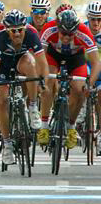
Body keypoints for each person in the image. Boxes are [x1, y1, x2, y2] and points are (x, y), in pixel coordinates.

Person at [0, 9, 48, 165]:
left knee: (31, 65)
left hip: (21, 60)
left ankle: (33, 107)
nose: (17, 34)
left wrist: (43, 82)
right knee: (1, 101)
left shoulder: (32, 34)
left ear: (25, 28)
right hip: (3, 66)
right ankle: (7, 144)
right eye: (13, 31)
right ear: (7, 30)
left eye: (20, 30)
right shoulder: (0, 38)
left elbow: (42, 62)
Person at [38, 9, 101, 149]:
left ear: (76, 30)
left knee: (79, 91)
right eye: (63, 33)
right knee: (47, 84)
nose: (66, 37)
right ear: (57, 27)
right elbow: (39, 56)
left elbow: (96, 62)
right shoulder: (49, 29)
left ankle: (71, 127)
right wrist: (40, 77)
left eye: (70, 34)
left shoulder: (84, 32)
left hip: (75, 58)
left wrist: (89, 85)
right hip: (53, 55)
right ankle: (44, 125)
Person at [84, 1, 101, 155]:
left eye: (99, 19)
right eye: (93, 19)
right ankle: (80, 114)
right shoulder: (81, 29)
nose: (96, 23)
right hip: (84, 68)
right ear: (87, 18)